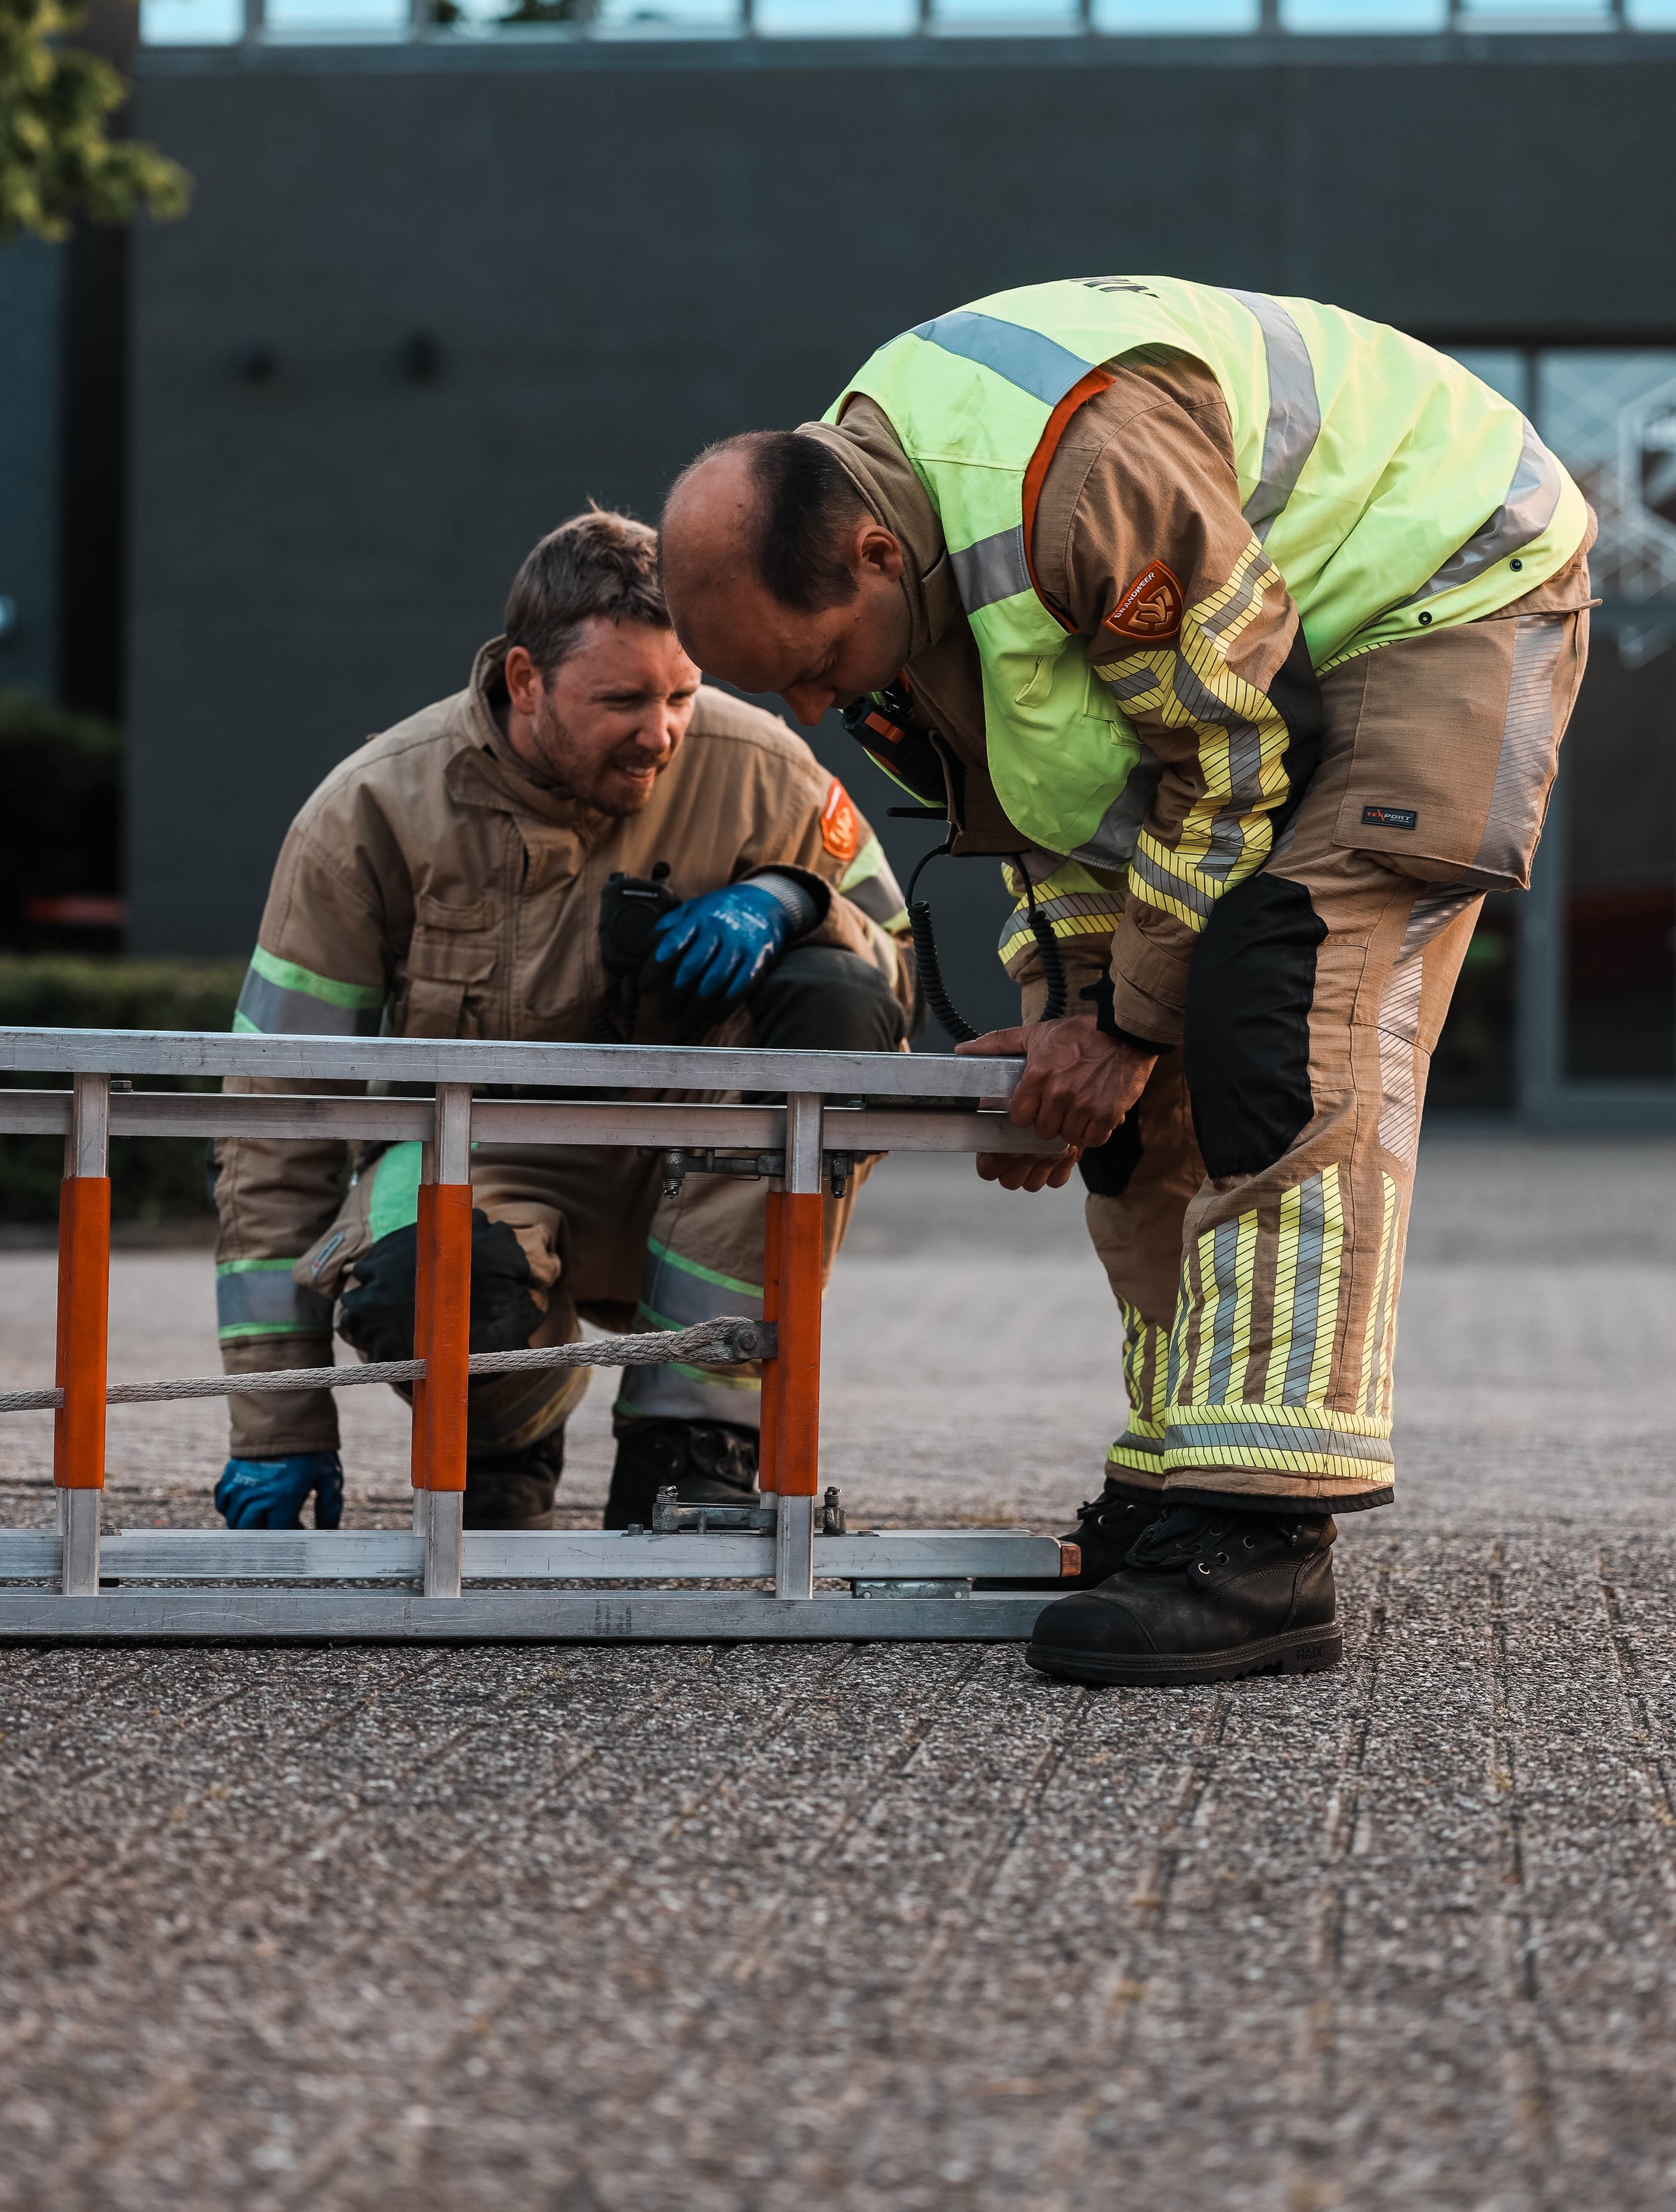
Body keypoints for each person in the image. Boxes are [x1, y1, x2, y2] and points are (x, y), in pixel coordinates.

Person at [657, 276, 1592, 1686]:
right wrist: (1069, 1029)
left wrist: (1131, 1022)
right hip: (1260, 665)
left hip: (1444, 584)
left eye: (813, 670)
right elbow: (1054, 816)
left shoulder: (1069, 472)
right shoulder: (895, 555)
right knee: (1132, 1104)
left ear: (865, 557)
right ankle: (1172, 1491)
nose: (809, 713)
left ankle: (1260, 1543)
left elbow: (1223, 761)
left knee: (1284, 1010)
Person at [212, 509, 914, 1532]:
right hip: (475, 1159)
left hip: (697, 1169)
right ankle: (505, 1431)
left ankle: (692, 1443)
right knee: (422, 1280)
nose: (664, 732)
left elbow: (895, 980)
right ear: (524, 680)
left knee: (838, 997)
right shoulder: (370, 813)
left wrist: (797, 902)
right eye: (623, 699)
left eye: (684, 692)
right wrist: (279, 1424)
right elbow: (274, 1124)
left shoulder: (763, 773)